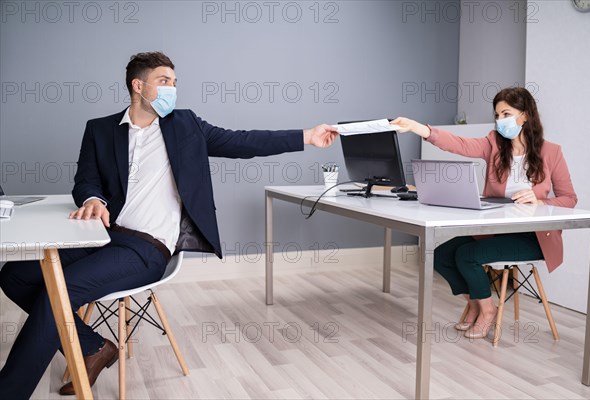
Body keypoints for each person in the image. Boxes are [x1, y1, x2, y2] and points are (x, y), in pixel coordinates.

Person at [0, 51, 338, 398]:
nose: (172, 89)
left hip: (147, 248)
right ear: (138, 85)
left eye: (175, 83)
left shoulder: (186, 126)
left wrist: (306, 136)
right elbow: (85, 181)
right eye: (164, 82)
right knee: (14, 275)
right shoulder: (100, 130)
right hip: (104, 237)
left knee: (63, 287)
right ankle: (93, 347)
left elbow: (243, 140)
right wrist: (92, 200)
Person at [390, 87, 577, 339]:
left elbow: (570, 199)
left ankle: (488, 312)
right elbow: (460, 145)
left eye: (506, 113)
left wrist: (540, 200)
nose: (500, 120)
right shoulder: (493, 145)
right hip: (497, 231)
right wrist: (418, 128)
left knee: (467, 255)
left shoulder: (551, 152)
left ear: (525, 115)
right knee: (441, 254)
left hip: (533, 238)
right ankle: (478, 303)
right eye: (497, 115)